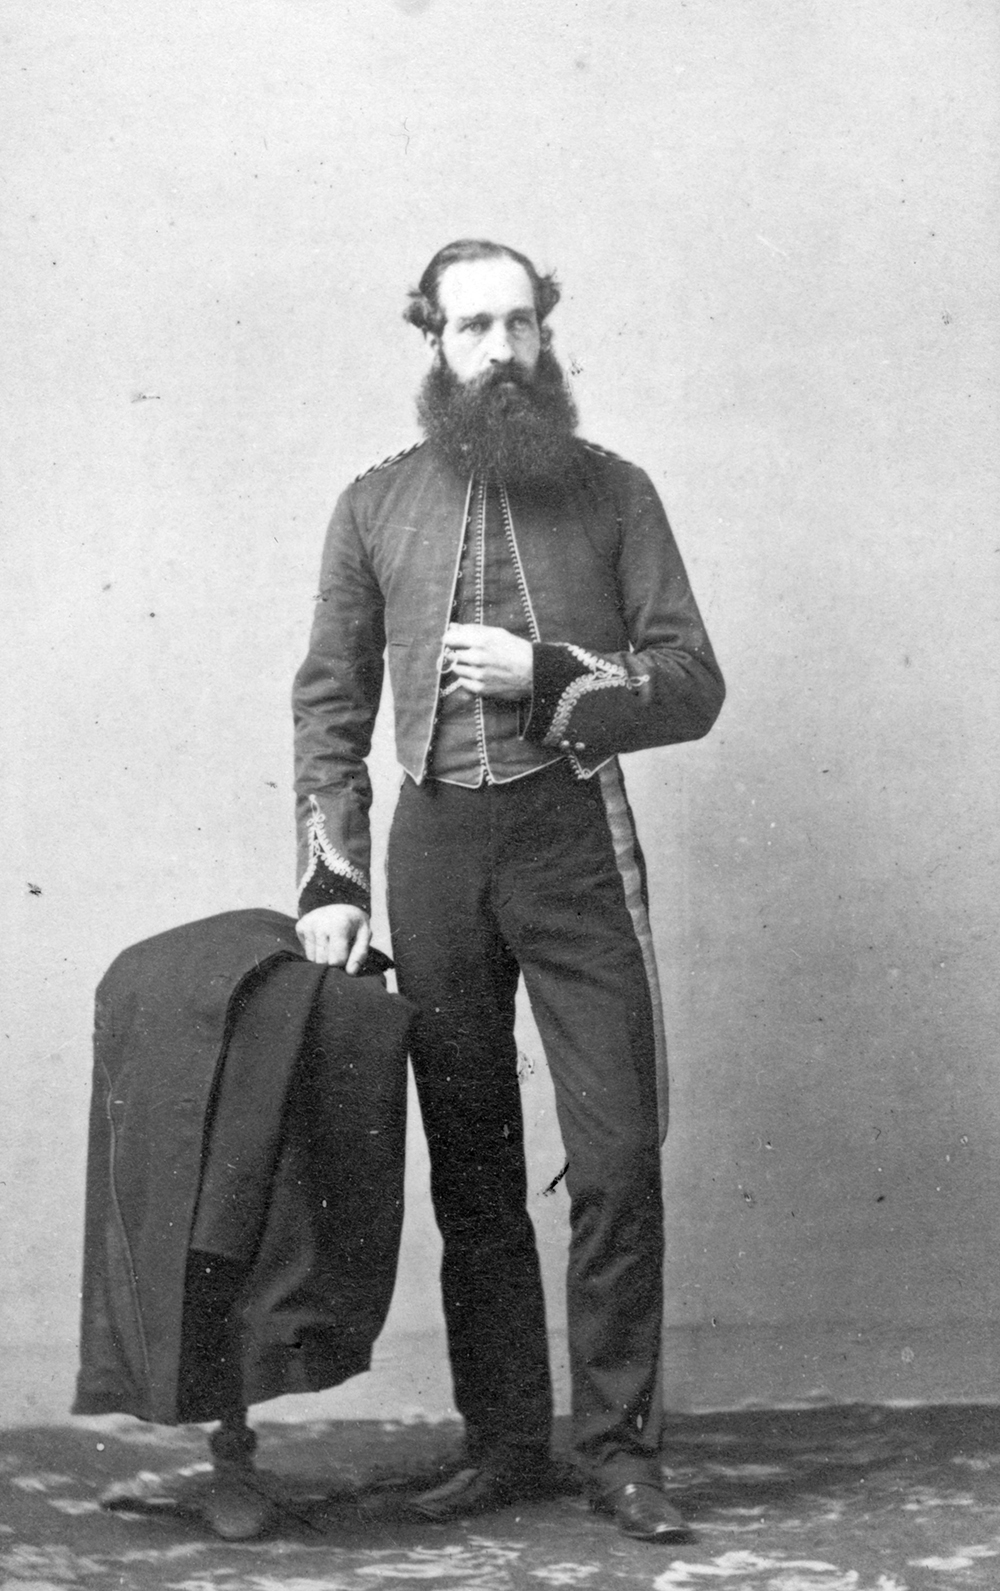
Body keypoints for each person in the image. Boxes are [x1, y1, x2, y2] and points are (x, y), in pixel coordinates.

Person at [292, 238, 724, 1542]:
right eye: (472, 327)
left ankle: (620, 1447)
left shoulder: (617, 496)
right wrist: (333, 872)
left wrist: (549, 674)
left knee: (615, 1156)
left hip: (571, 842)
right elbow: (328, 698)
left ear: (548, 337)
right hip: (433, 854)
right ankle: (503, 1447)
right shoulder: (375, 506)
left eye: (520, 326)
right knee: (472, 1165)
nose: (499, 352)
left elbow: (693, 683)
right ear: (432, 341)